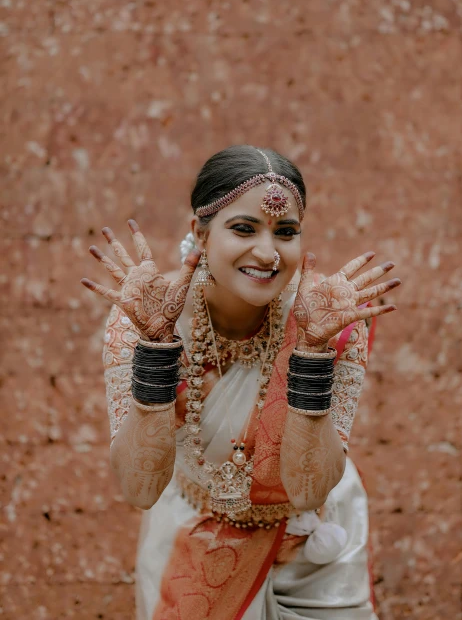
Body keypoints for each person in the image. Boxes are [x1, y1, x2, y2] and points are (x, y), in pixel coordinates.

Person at [81, 145, 401, 620]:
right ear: (200, 234)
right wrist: (155, 353)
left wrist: (310, 356)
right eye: (244, 228)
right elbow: (139, 488)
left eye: (286, 232)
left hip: (311, 550)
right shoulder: (145, 315)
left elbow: (310, 489)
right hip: (192, 538)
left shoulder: (327, 319)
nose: (268, 253)